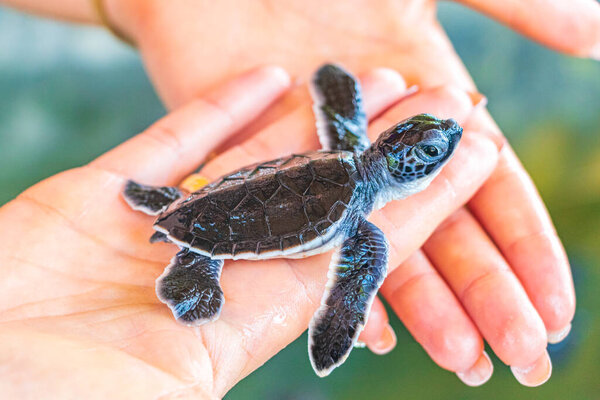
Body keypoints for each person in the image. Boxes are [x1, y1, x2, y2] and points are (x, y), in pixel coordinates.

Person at [1, 0, 596, 397]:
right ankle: (191, 263)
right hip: (222, 225)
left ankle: (169, 204)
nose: (447, 141)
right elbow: (352, 286)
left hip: (230, 190)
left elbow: (339, 93)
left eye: (436, 146)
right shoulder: (362, 230)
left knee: (217, 202)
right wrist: (337, 325)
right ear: (400, 160)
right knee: (313, 265)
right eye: (434, 146)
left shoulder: (347, 149)